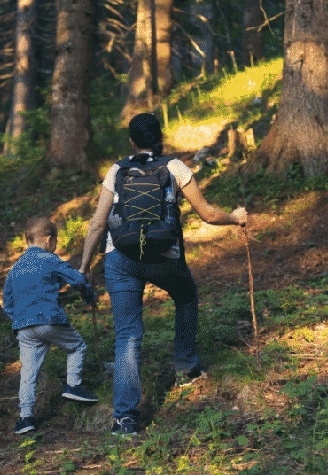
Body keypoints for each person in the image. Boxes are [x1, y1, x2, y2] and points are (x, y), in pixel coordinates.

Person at [79, 113, 247, 436]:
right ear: (160, 138)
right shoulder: (174, 167)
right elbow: (208, 214)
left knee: (127, 333)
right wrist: (235, 217)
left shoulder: (117, 170)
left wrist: (84, 268)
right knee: (186, 295)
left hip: (121, 259)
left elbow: (98, 224)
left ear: (131, 142)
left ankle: (124, 418)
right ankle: (186, 364)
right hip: (163, 257)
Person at [3, 216, 99, 434]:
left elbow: (7, 301)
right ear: (48, 240)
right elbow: (78, 279)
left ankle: (26, 417)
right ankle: (73, 385)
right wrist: (89, 297)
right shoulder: (50, 260)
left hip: (24, 327)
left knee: (28, 371)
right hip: (48, 319)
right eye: (55, 241)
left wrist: (19, 319)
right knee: (76, 346)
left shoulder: (15, 268)